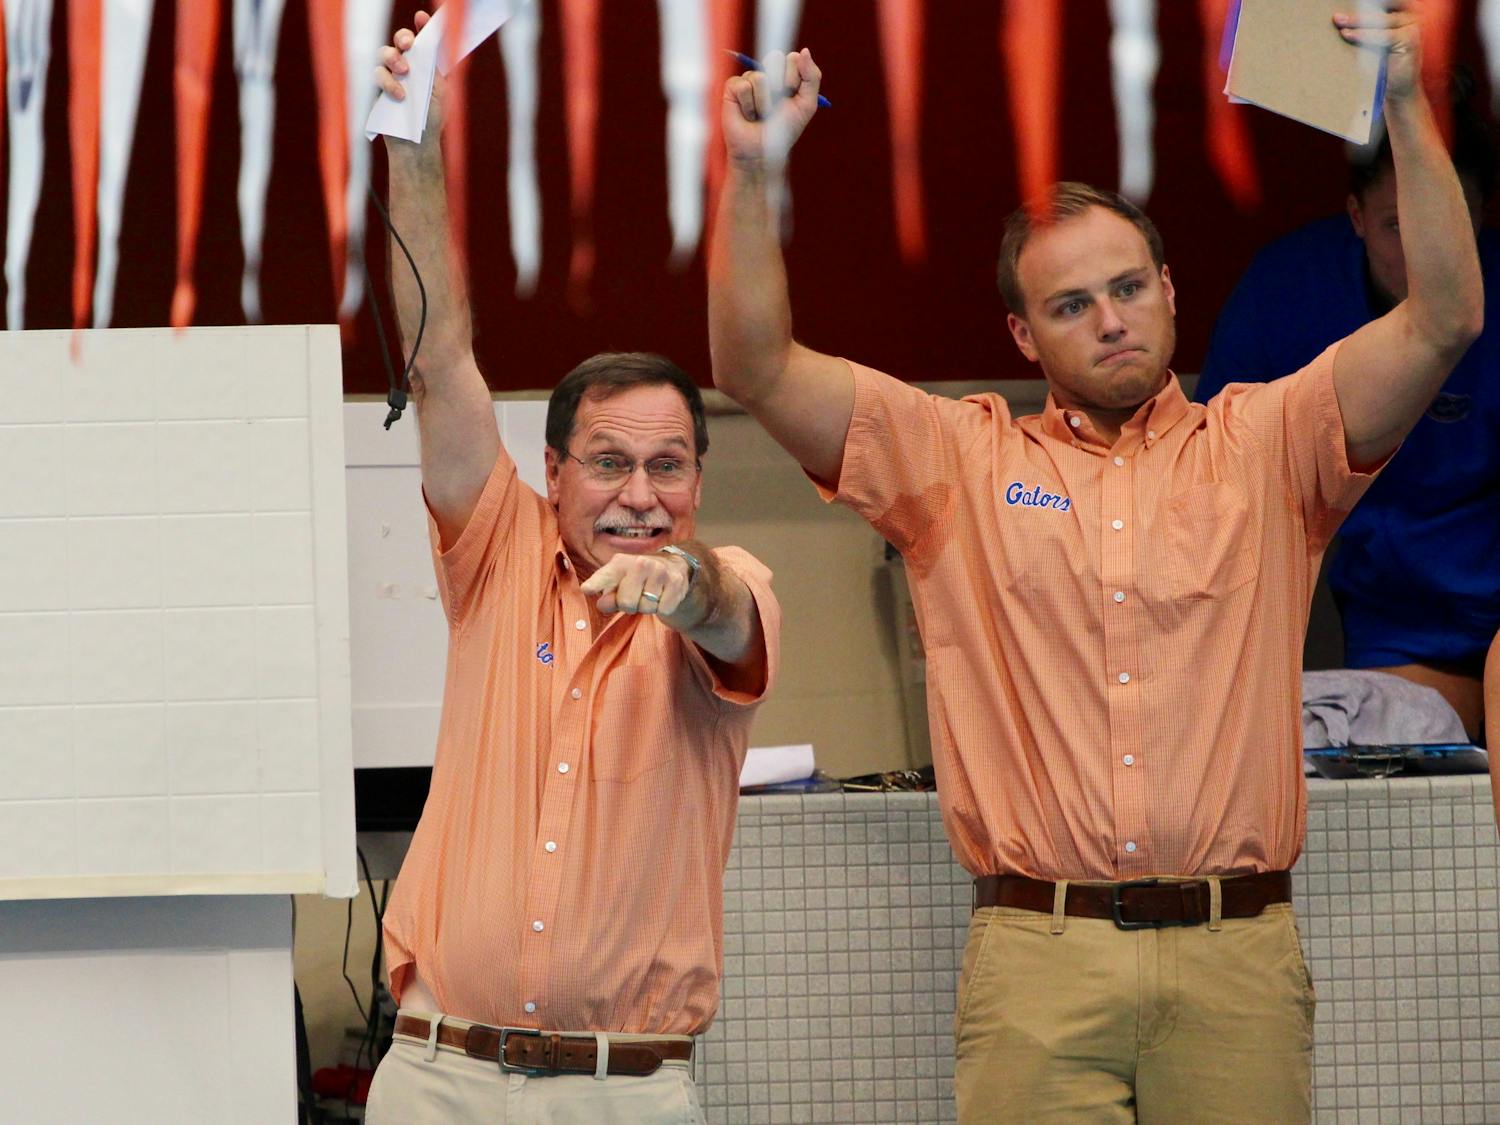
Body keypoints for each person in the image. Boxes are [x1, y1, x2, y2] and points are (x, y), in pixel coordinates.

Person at [706, 5, 1480, 1122]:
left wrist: (1405, 107)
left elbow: (1447, 313)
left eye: (1127, 288)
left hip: (1236, 957)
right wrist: (749, 173)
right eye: (1070, 305)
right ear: (1025, 336)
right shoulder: (954, 460)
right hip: (1038, 957)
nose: (1109, 320)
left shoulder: (1271, 442)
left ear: (1170, 289)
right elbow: (754, 363)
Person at [364, 13, 781, 1123]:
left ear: (697, 481)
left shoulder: (724, 585)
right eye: (609, 463)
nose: (639, 494)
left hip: (623, 1091)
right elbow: (438, 357)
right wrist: (414, 143)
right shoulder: (495, 550)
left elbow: (730, 612)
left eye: (667, 466)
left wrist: (684, 586)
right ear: (552, 470)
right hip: (435, 1075)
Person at [1196, 86, 1499, 742]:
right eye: (1397, 224)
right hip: (1399, 625)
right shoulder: (1286, 290)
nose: (1424, 250)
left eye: (1452, 217)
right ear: (1356, 216)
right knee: (1386, 761)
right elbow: (1206, 477)